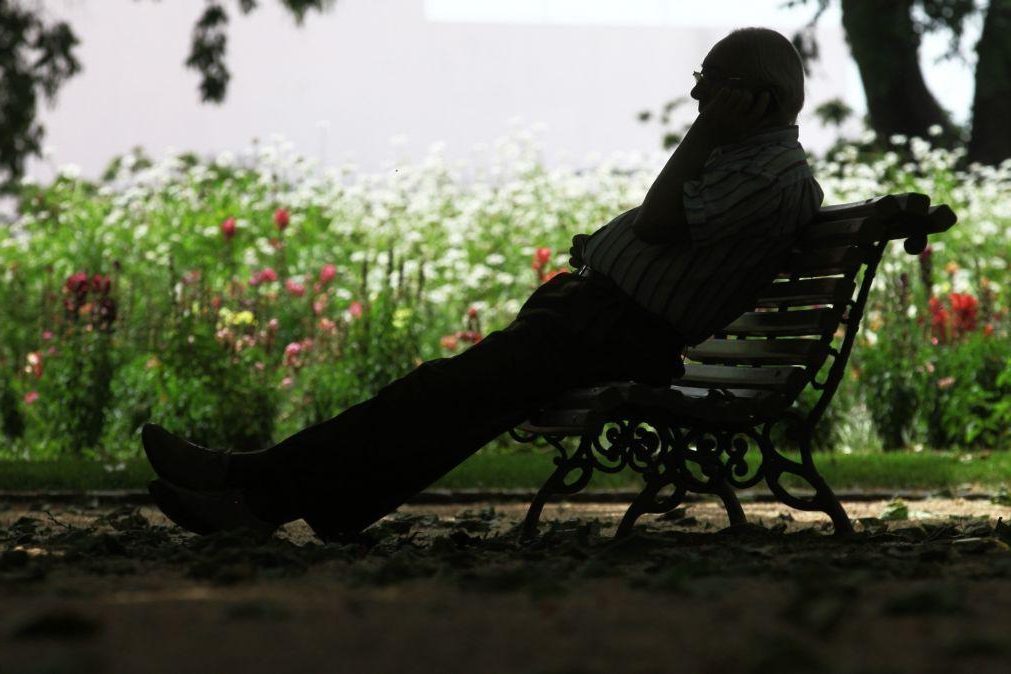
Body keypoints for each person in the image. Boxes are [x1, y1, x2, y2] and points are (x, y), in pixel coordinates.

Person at [143, 26, 825, 540]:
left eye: (715, 84)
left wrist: (698, 137)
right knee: (443, 403)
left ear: (760, 100)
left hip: (615, 332)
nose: (697, 95)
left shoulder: (771, 174)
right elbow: (670, 234)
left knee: (439, 396)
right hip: (593, 317)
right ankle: (287, 493)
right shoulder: (748, 162)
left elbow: (657, 221)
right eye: (699, 78)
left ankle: (249, 491)